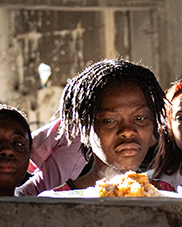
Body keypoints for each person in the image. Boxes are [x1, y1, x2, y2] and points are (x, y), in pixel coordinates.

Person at [37, 59, 174, 194]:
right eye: (109, 120)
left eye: (140, 118)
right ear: (85, 123)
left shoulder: (166, 194)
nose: (127, 131)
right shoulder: (57, 202)